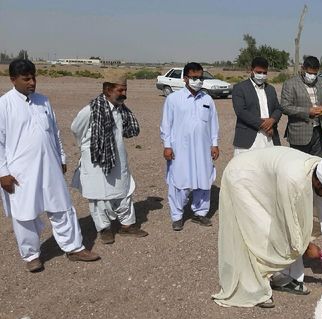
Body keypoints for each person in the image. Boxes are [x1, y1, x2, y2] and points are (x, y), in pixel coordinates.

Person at [212, 147, 322, 308]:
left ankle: (279, 276)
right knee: (257, 229)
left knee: (281, 232)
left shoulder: (319, 172)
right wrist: (307, 246)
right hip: (243, 177)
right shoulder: (294, 179)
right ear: (317, 182)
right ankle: (254, 288)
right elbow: (288, 221)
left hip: (266, 179)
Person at [0, 59, 100, 272]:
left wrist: (61, 157)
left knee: (62, 207)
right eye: (26, 79)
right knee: (24, 214)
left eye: (33, 77)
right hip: (20, 172)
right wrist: (3, 172)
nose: (32, 82)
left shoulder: (43, 101)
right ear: (13, 79)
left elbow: (54, 132)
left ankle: (75, 248)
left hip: (50, 165)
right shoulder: (4, 105)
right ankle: (31, 256)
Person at [71, 72, 148, 244]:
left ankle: (127, 226)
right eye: (120, 90)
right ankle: (104, 229)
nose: (124, 94)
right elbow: (76, 129)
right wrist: (89, 148)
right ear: (107, 90)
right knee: (99, 196)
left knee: (124, 191)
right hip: (96, 161)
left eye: (125, 90)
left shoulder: (122, 110)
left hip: (118, 160)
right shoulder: (90, 110)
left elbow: (128, 131)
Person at [160, 62, 219, 231]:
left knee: (204, 180)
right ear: (185, 78)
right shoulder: (173, 99)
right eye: (194, 77)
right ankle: (177, 216)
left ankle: (200, 213)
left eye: (200, 77)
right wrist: (167, 146)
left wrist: (214, 144)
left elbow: (213, 124)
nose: (198, 80)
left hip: (203, 148)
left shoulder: (207, 99)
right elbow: (166, 125)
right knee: (179, 181)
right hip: (180, 148)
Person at [281, 56, 322, 158]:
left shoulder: (321, 82)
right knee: (299, 166)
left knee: (317, 165)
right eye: (310, 73)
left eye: (315, 73)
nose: (312, 76)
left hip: (319, 132)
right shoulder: (290, 84)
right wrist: (308, 112)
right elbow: (285, 107)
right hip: (299, 134)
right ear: (303, 69)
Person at [232, 56, 282, 156]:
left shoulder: (270, 89)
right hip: (249, 139)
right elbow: (241, 111)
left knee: (269, 169)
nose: (262, 75)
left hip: (269, 138)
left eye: (264, 73)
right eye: (259, 72)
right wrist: (264, 124)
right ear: (251, 70)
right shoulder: (240, 88)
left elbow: (278, 108)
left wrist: (272, 120)